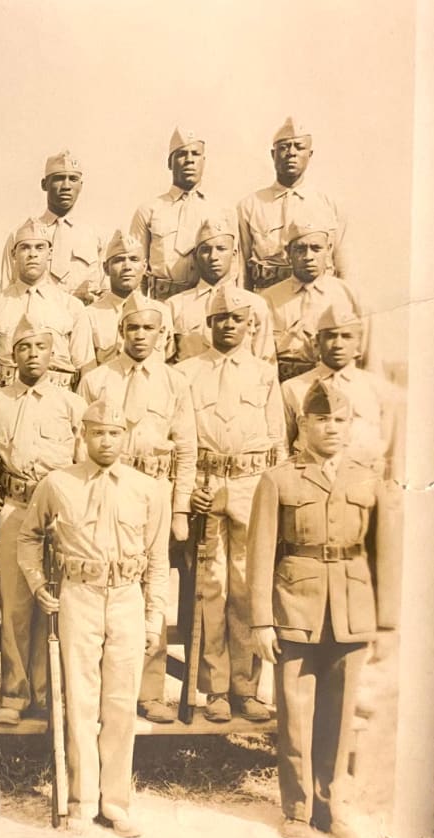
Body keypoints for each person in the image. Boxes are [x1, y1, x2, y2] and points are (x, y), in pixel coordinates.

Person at [248, 380, 400, 838]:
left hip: (352, 607)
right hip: (296, 604)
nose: (330, 428)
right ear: (304, 425)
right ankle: (297, 809)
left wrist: (387, 622)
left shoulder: (367, 479)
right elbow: (258, 554)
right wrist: (260, 620)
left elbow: (385, 553)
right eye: (321, 419)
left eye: (339, 420)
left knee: (339, 712)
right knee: (294, 711)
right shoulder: (279, 478)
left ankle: (331, 806)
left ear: (350, 426)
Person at [17, 398, 170, 837]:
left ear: (126, 436)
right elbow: (28, 537)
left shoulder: (147, 488)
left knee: (121, 702)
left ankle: (115, 802)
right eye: (98, 432)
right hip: (78, 595)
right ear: (82, 435)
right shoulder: (57, 483)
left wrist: (154, 615)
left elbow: (158, 558)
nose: (107, 440)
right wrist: (37, 584)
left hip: (127, 596)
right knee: (81, 701)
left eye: (115, 432)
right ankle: (81, 800)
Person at [78, 294, 196, 724]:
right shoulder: (96, 380)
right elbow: (82, 445)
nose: (140, 335)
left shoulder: (175, 381)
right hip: (110, 485)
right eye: (133, 328)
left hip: (157, 488)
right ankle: (103, 690)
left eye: (149, 328)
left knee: (152, 580)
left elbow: (186, 447)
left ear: (162, 333)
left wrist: (180, 506)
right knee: (109, 581)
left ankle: (149, 689)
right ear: (120, 332)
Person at [175, 286, 286, 723]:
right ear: (208, 324)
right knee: (210, 587)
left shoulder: (264, 374)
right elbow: (179, 442)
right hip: (207, 482)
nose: (227, 325)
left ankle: (246, 686)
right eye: (219, 318)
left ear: (249, 324)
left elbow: (278, 441)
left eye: (236, 319)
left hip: (251, 483)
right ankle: (214, 687)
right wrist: (186, 493)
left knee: (246, 585)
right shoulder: (186, 372)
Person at [0, 315, 86, 725]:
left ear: (52, 352)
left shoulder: (71, 404)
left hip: (60, 511)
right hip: (15, 507)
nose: (32, 354)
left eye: (40, 346)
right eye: (23, 347)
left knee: (56, 599)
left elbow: (82, 461)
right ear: (12, 355)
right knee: (17, 601)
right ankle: (15, 691)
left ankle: (50, 692)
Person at [282, 298, 403, 482]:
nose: (338, 344)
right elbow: (281, 447)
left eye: (346, 336)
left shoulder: (380, 390)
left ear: (359, 343)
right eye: (330, 336)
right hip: (308, 485)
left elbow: (393, 454)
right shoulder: (293, 388)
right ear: (317, 342)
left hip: (363, 487)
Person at [238, 117, 349, 291]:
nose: (291, 153)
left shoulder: (329, 204)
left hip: (319, 299)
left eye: (299, 147)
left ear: (310, 154)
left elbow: (344, 267)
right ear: (273, 154)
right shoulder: (250, 206)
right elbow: (241, 270)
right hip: (267, 298)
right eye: (283, 147)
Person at [0, 218, 94, 389]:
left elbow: (86, 365)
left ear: (50, 253)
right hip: (8, 396)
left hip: (58, 398)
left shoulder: (71, 306)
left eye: (39, 248)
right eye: (25, 248)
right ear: (13, 254)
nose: (32, 254)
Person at [259, 221, 369, 382]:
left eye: (316, 248)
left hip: (335, 384)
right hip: (281, 384)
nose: (308, 257)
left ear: (329, 249)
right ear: (288, 252)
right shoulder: (268, 299)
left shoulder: (347, 294)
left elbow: (366, 355)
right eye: (300, 249)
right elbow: (259, 355)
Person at [1, 150, 103, 304]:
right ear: (44, 184)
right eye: (59, 179)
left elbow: (105, 292)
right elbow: (4, 290)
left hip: (82, 319)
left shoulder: (94, 236)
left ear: (81, 186)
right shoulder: (22, 234)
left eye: (73, 179)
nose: (66, 186)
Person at [168, 217, 274, 363]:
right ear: (195, 257)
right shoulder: (175, 306)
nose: (213, 257)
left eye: (221, 249)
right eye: (205, 250)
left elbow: (266, 362)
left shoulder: (255, 304)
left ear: (234, 254)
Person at [130, 127, 214, 300]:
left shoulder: (220, 210)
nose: (189, 160)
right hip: (162, 302)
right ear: (170, 162)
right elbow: (135, 269)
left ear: (204, 161)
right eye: (181, 154)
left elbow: (232, 271)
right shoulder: (149, 210)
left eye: (195, 154)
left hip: (205, 304)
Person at [85, 230, 175, 368]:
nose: (127, 267)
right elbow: (87, 371)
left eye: (134, 259)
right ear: (106, 268)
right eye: (119, 260)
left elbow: (169, 362)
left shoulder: (162, 311)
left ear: (144, 267)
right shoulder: (90, 315)